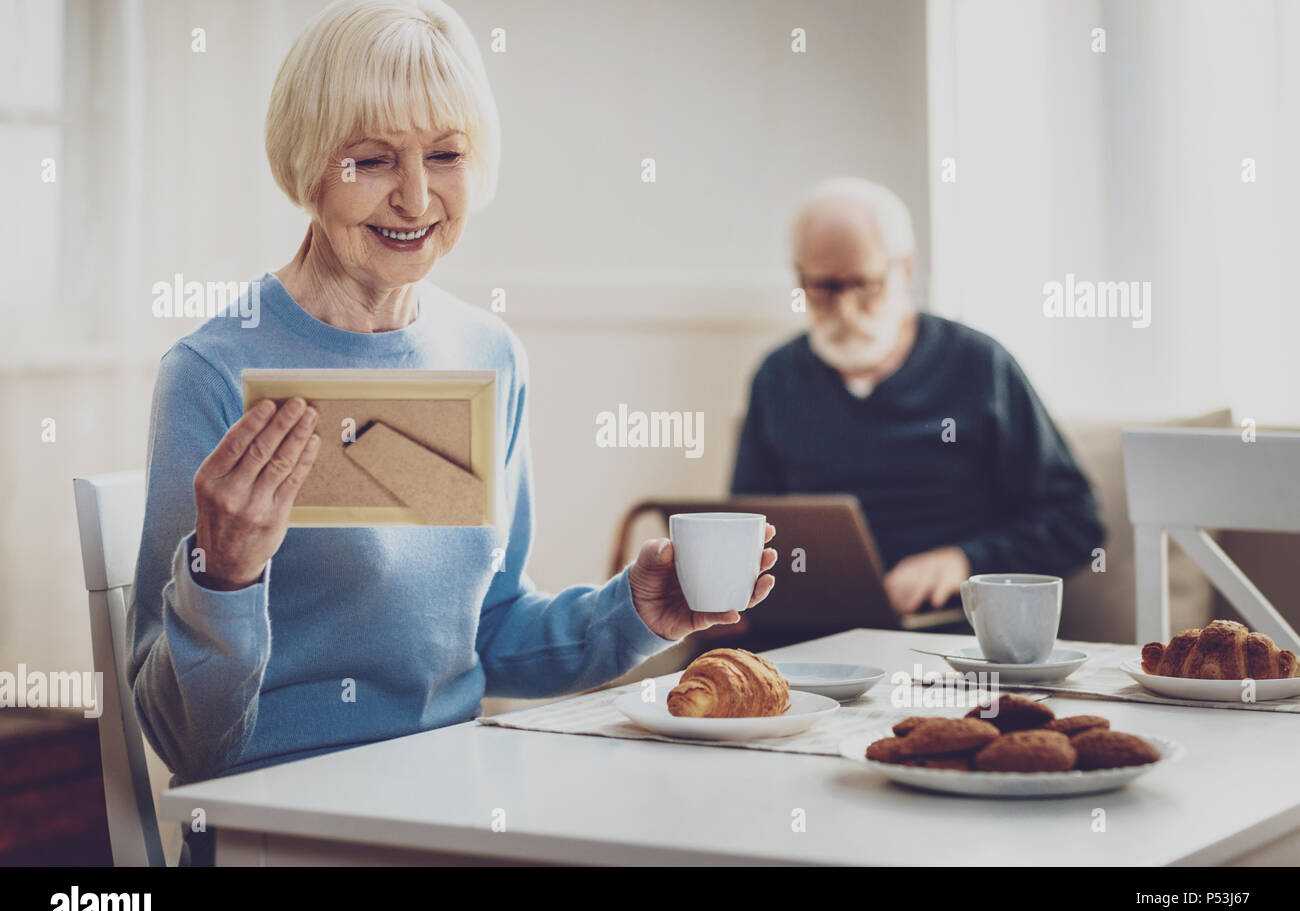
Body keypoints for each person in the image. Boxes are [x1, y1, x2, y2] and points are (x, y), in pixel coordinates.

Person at [128, 0, 777, 797]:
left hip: (455, 793)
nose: (413, 198)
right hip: (286, 814)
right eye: (369, 160)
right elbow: (186, 743)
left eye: (445, 155)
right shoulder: (211, 373)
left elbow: (491, 632)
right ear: (307, 164)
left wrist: (632, 615)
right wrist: (221, 579)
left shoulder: (490, 355)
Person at [731, 177, 1102, 618]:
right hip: (808, 639)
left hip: (945, 637)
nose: (845, 311)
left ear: (903, 271)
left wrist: (965, 561)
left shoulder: (979, 365)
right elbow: (744, 525)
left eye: (863, 286)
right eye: (824, 288)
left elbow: (1077, 523)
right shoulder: (778, 377)